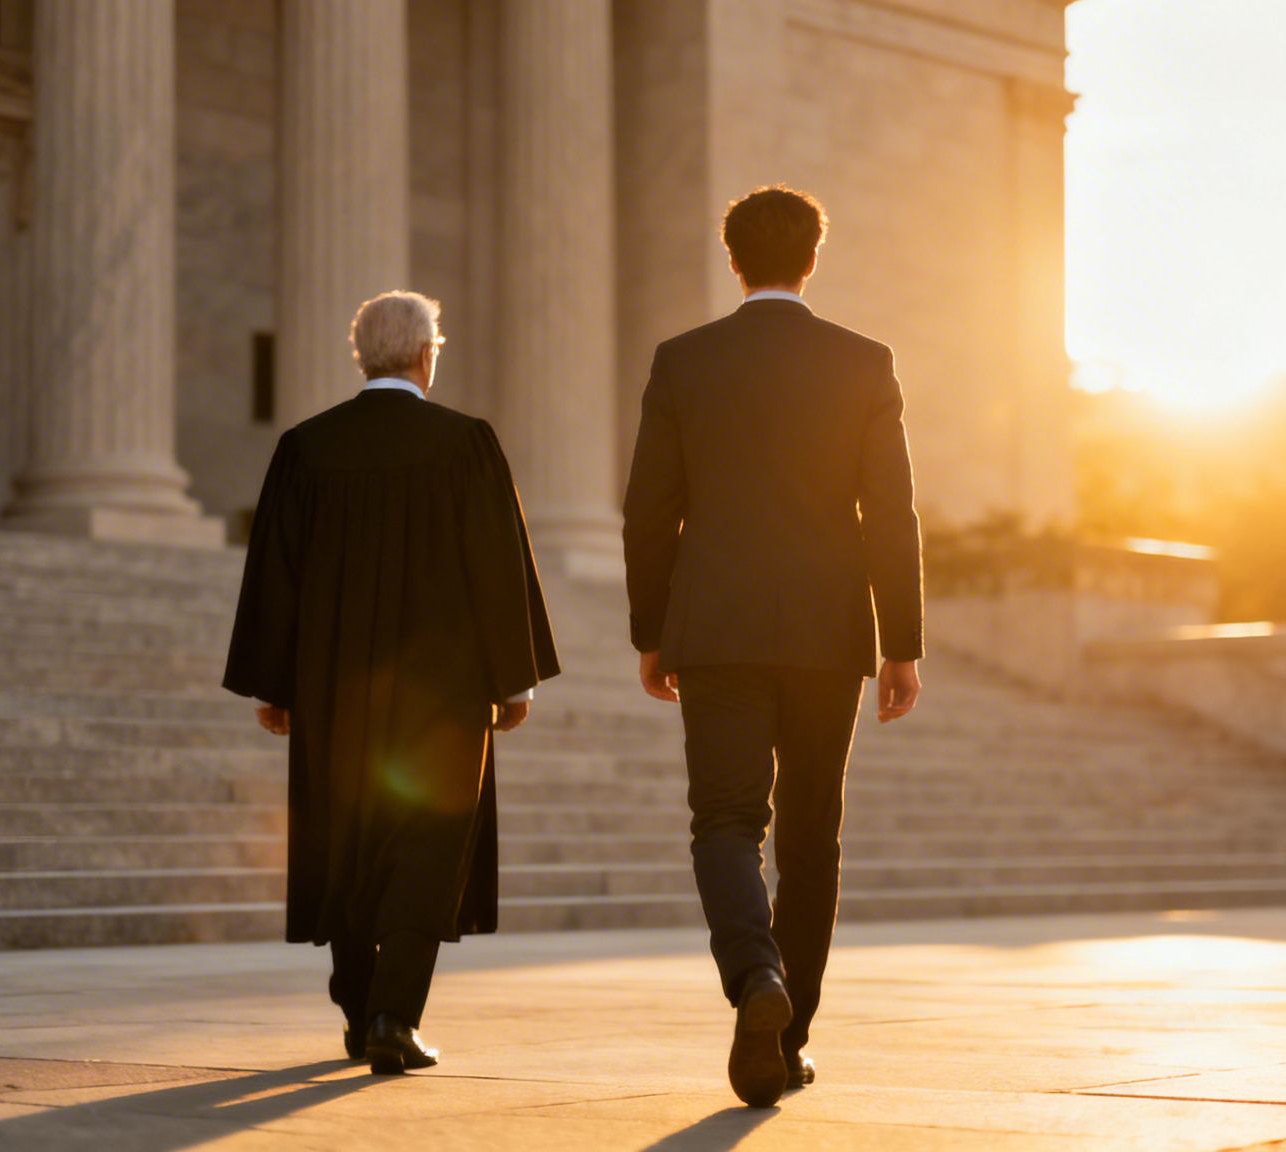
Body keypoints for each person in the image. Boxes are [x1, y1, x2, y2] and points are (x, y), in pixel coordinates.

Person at [622, 186, 925, 1107]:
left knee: (723, 820)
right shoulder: (863, 362)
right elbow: (892, 514)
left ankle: (756, 977)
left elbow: (646, 511)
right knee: (810, 838)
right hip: (829, 631)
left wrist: (650, 630)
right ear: (813, 259)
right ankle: (787, 1041)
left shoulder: (685, 361)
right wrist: (901, 642)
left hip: (714, 627)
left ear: (733, 259)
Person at [223, 290, 559, 1075]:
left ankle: (358, 1003)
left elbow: (277, 575)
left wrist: (278, 683)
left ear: (361, 357)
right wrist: (514, 680)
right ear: (425, 356)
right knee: (429, 843)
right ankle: (391, 1016)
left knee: (345, 835)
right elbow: (498, 570)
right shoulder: (465, 444)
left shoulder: (306, 449)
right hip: (443, 694)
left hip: (336, 688)